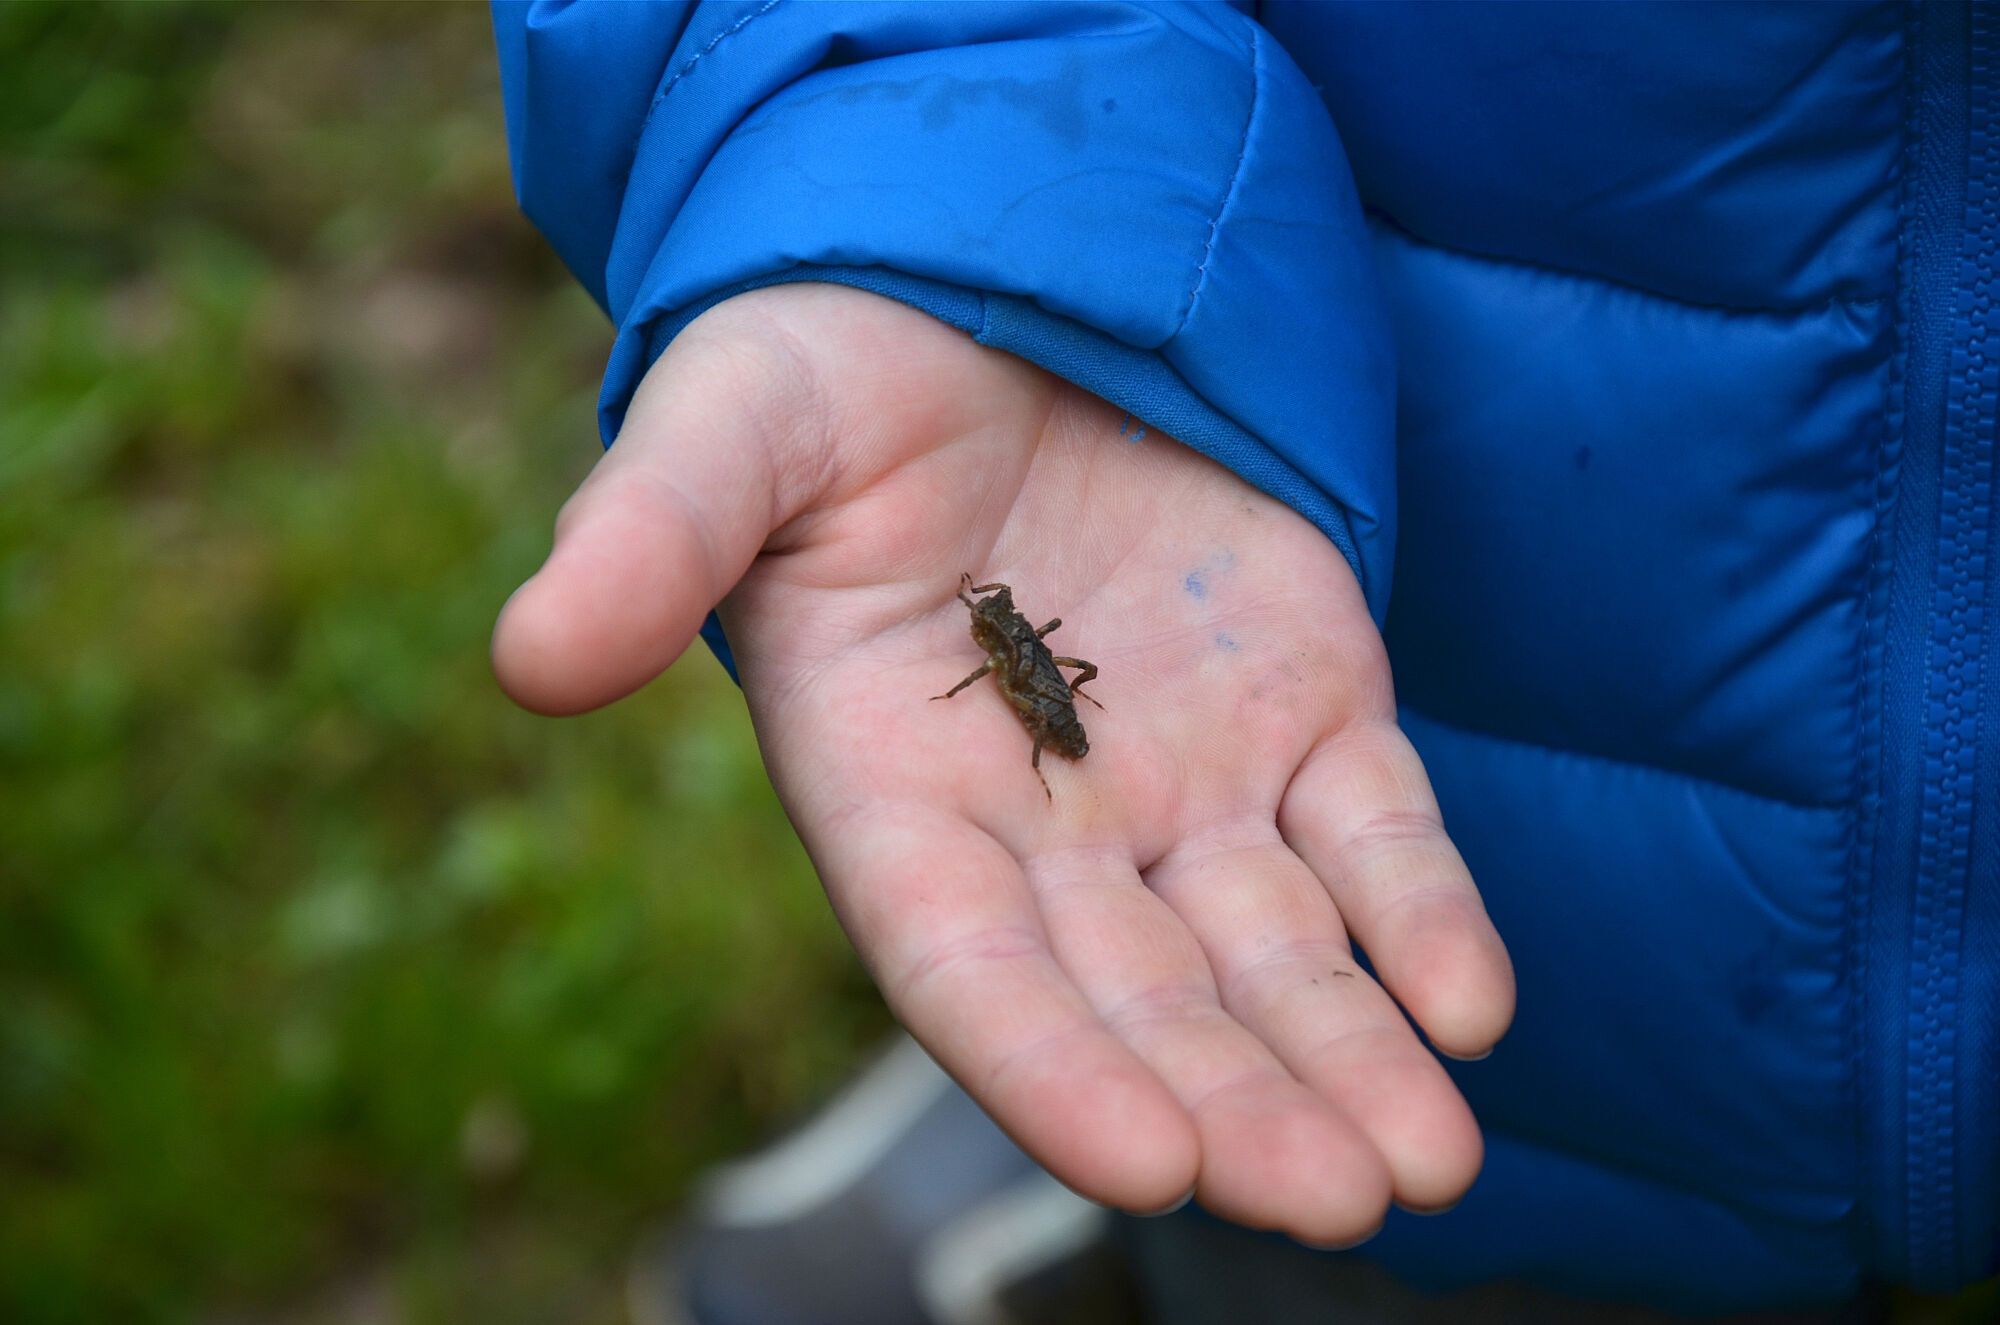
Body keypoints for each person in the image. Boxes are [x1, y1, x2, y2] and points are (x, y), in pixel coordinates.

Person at [487, 1, 1999, 1321]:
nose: (1001, 641)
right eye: (998, 633)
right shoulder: (1015, 643)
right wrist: (925, 179)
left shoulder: (1015, 652)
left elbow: (1020, 669)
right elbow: (1019, 666)